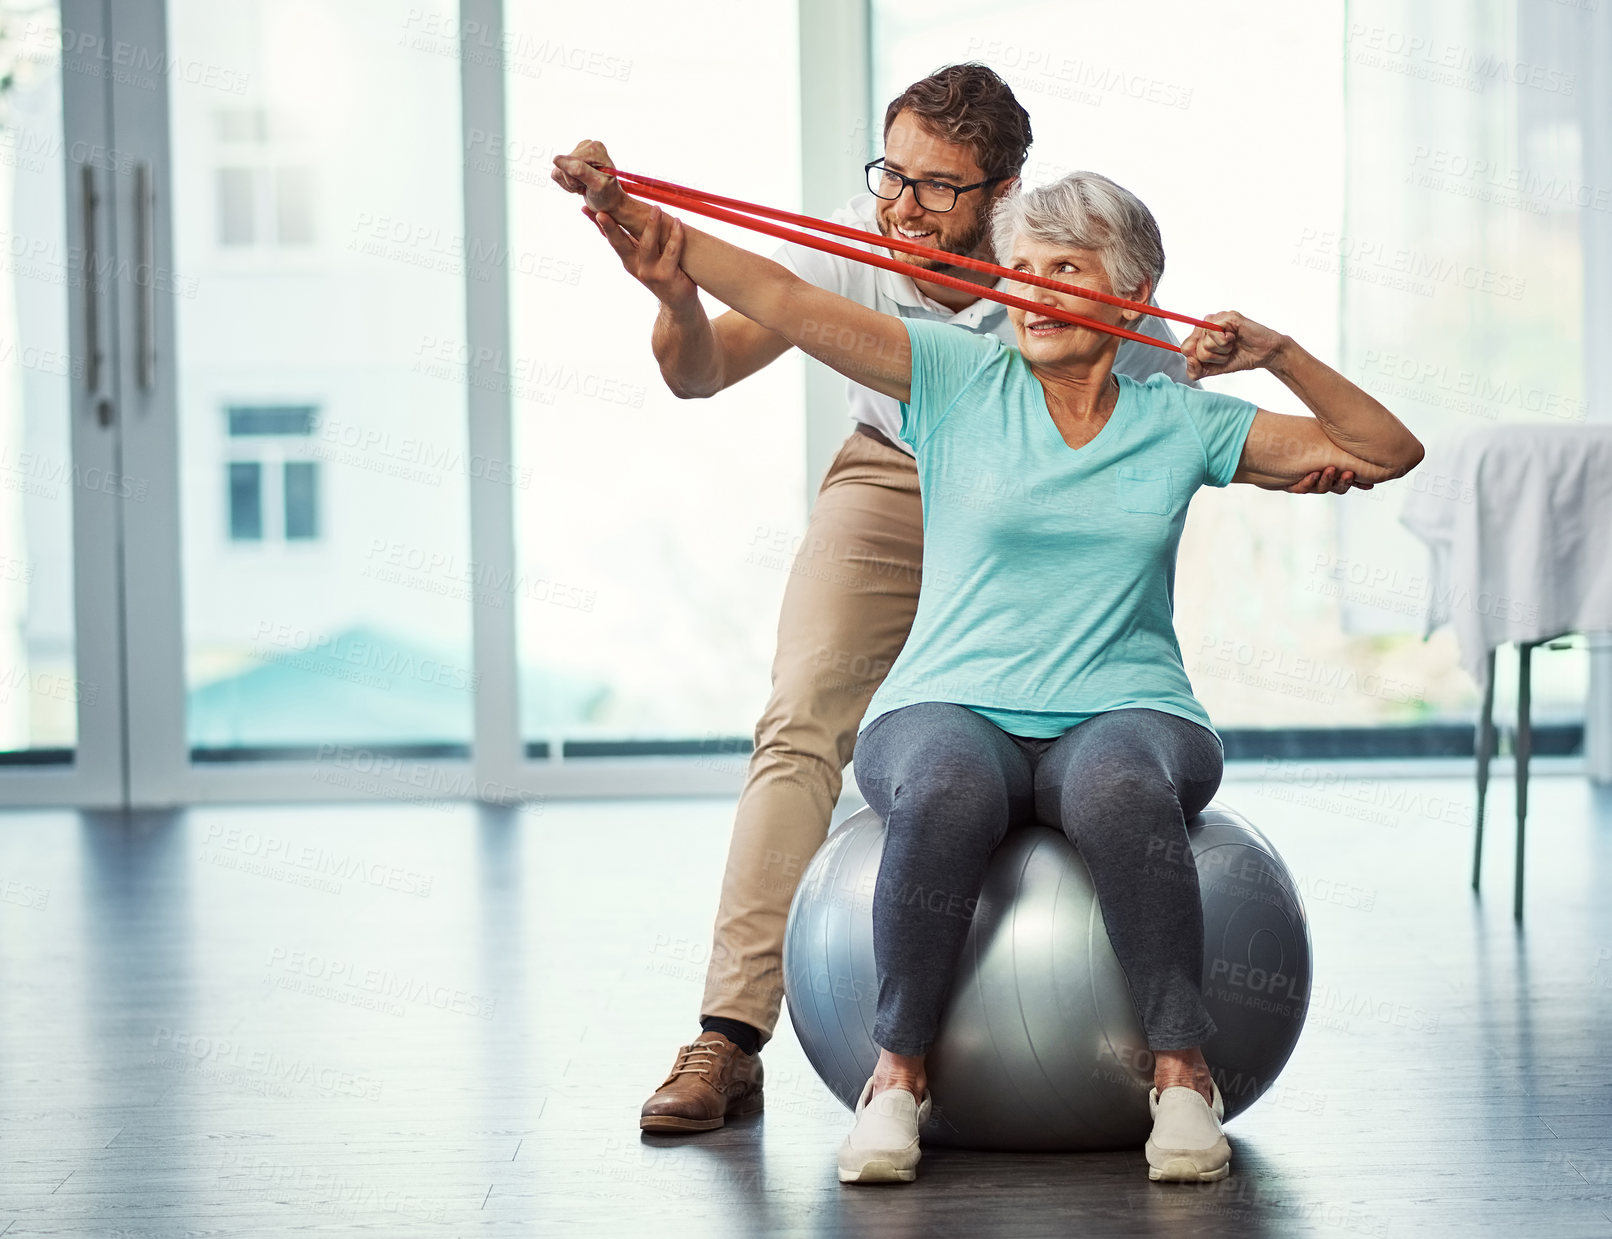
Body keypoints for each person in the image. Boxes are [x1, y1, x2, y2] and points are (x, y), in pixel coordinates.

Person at [554, 148, 1423, 1183]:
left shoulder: (1179, 418)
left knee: (1119, 789)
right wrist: (641, 216)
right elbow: (783, 297)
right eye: (1024, 268)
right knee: (947, 790)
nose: (1033, 290)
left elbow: (1383, 451)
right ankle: (896, 1079)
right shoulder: (952, 375)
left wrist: (1276, 351)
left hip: (1127, 705)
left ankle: (1182, 1075)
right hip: (948, 700)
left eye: (1067, 270)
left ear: (1132, 299)